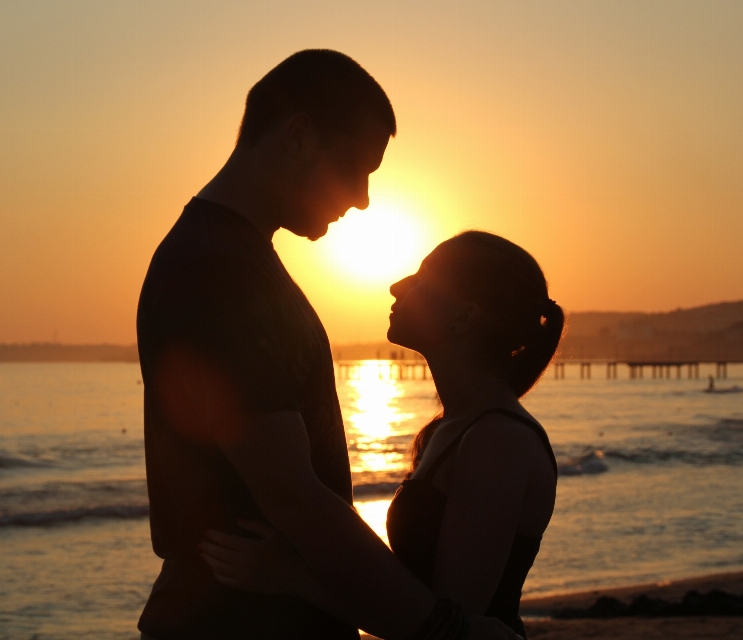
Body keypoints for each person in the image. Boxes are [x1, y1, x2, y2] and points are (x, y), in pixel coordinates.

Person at [137, 49, 519, 640]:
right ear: (298, 137)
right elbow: (290, 496)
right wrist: (446, 630)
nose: (363, 198)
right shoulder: (218, 272)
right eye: (355, 168)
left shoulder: (236, 263)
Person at [201, 231, 563, 639]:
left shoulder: (498, 442)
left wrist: (295, 577)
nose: (397, 286)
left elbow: (445, 628)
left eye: (424, 279)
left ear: (464, 317)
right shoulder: (451, 429)